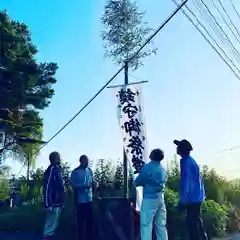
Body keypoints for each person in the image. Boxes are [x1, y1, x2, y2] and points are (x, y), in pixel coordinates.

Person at [174, 139, 208, 240]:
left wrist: (183, 201)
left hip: (192, 198)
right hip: (196, 196)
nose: (177, 148)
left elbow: (187, 183)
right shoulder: (189, 161)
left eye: (178, 146)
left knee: (192, 225)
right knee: (197, 222)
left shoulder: (187, 163)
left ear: (182, 149)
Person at [134, 148, 168, 240]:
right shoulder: (163, 168)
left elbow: (138, 181)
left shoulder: (148, 167)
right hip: (160, 198)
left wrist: (135, 182)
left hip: (149, 199)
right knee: (161, 225)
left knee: (146, 225)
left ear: (152, 156)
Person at [71, 155, 97, 240]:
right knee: (81, 223)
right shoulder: (75, 172)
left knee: (90, 222)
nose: (87, 163)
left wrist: (95, 184)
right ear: (81, 161)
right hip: (80, 200)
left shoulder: (89, 170)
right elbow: (74, 185)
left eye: (88, 161)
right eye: (85, 161)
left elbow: (92, 180)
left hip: (89, 199)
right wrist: (84, 186)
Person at [43, 152, 65, 240]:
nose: (60, 159)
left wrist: (62, 202)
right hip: (52, 204)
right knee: (49, 227)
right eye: (58, 157)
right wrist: (47, 204)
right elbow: (47, 187)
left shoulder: (57, 170)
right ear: (54, 159)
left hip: (58, 203)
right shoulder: (51, 170)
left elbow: (60, 187)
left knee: (54, 226)